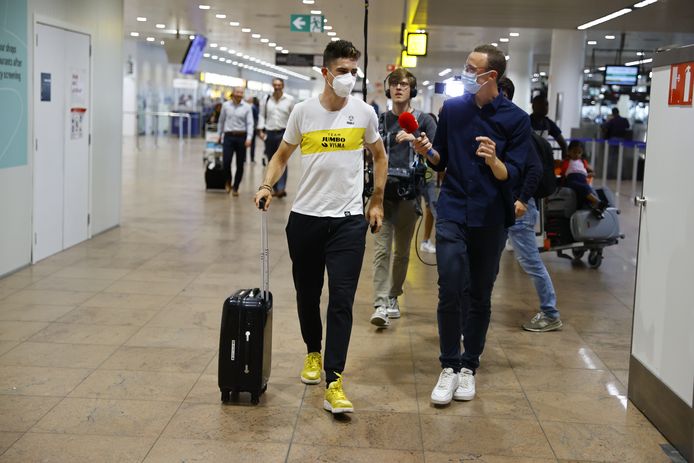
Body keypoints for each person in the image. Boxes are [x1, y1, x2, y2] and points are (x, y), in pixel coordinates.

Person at [254, 39, 387, 415]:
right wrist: (267, 184)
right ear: (326, 73)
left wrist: (376, 199)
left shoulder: (364, 113)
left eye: (353, 72)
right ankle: (313, 351)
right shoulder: (303, 112)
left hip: (347, 223)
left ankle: (334, 379)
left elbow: (379, 155)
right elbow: (281, 155)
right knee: (307, 295)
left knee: (342, 300)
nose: (349, 78)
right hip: (306, 220)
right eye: (342, 71)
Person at [413, 44, 529, 405]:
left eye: (470, 68)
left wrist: (495, 160)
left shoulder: (516, 119)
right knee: (449, 286)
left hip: (491, 217)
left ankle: (469, 366)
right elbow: (441, 159)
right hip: (451, 210)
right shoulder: (453, 109)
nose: (464, 73)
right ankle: (448, 364)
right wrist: (426, 152)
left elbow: (514, 174)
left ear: (490, 76)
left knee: (479, 293)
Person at [369, 68, 437, 328]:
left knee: (402, 254)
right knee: (381, 250)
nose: (399, 88)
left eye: (404, 84)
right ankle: (380, 304)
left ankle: (393, 295)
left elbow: (437, 157)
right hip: (382, 195)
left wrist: (418, 140)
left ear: (412, 90)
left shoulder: (425, 122)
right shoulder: (379, 120)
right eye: (394, 84)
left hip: (410, 195)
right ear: (388, 89)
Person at [498, 77, 562, 333]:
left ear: (505, 95)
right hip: (504, 206)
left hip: (518, 209)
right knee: (487, 259)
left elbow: (534, 169)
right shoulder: (503, 125)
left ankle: (550, 312)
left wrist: (522, 200)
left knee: (530, 261)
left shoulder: (517, 127)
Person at [258, 78, 295, 197]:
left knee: (282, 159)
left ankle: (281, 188)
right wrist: (260, 130)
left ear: (283, 86)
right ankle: (272, 187)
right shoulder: (266, 99)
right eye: (275, 85)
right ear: (272, 86)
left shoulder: (289, 100)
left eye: (279, 85)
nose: (277, 87)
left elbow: (293, 117)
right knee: (271, 159)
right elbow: (262, 115)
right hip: (269, 132)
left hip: (284, 133)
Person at [218, 87, 254, 196]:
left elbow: (250, 123)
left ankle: (236, 187)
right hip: (228, 136)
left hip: (241, 137)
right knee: (226, 162)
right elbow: (221, 121)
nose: (239, 94)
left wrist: (249, 138)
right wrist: (219, 135)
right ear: (233, 93)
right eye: (237, 92)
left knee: (240, 164)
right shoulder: (226, 106)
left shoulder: (247, 107)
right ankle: (228, 181)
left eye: (241, 93)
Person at [561, 140, 607, 217]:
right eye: (574, 152)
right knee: (582, 188)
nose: (577, 155)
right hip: (572, 180)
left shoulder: (583, 162)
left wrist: (590, 174)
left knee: (585, 188)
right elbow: (559, 169)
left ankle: (594, 206)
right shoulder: (566, 161)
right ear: (569, 152)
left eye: (579, 153)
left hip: (582, 180)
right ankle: (598, 202)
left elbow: (592, 172)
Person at [419, 112, 441, 255]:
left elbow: (439, 161)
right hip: (417, 178)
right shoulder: (416, 138)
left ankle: (427, 241)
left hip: (429, 178)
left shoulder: (434, 141)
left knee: (433, 209)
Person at [530, 94, 567, 159]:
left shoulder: (548, 123)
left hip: (543, 161)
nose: (545, 107)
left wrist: (564, 163)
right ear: (533, 106)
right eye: (541, 104)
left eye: (546, 104)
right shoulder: (526, 122)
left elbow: (563, 144)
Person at [247, 96, 260, 163]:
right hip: (254, 127)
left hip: (249, 127)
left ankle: (244, 159)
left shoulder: (251, 107)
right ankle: (252, 158)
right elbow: (257, 117)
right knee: (252, 144)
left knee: (247, 143)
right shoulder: (255, 107)